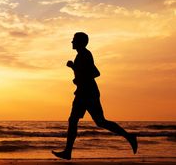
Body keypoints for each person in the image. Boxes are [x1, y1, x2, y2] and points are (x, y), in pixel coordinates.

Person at [52, 32, 138, 160]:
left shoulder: (85, 55)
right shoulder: (82, 55)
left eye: (74, 40)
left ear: (80, 42)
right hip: (85, 92)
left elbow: (93, 73)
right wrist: (76, 73)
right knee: (94, 121)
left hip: (87, 93)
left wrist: (74, 68)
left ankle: (68, 152)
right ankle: (68, 152)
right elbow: (90, 73)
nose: (72, 42)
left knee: (85, 120)